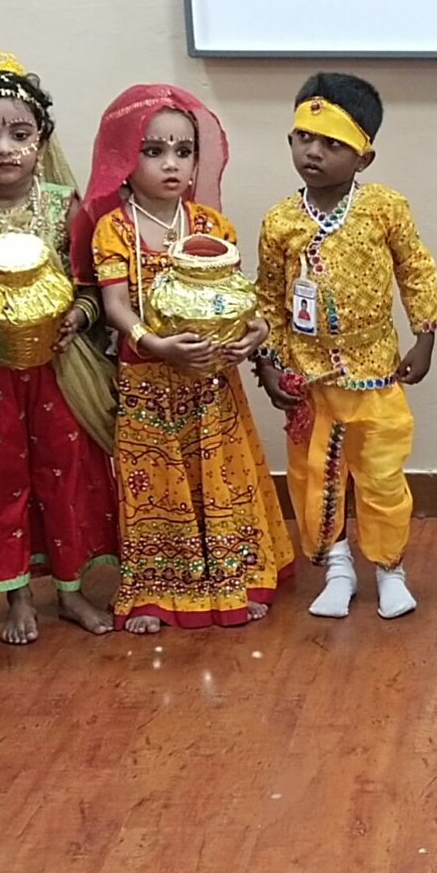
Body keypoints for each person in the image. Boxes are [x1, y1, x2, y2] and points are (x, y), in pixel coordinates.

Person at [0, 41, 119, 645]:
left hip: (61, 368)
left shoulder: (64, 207)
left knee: (67, 473)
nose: (4, 147)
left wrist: (78, 318)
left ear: (42, 138)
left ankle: (71, 591)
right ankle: (18, 598)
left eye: (19, 133)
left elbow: (90, 285)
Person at [82, 84, 295, 633]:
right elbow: (115, 306)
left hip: (211, 380)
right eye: (153, 151)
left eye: (183, 151)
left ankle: (233, 579)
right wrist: (154, 344)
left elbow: (238, 298)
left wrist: (254, 332)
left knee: (220, 476)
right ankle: (158, 593)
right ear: (123, 160)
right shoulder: (115, 228)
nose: (171, 164)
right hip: (148, 381)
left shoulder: (211, 226)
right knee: (157, 485)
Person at [252, 72, 437, 619]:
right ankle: (336, 567)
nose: (314, 152)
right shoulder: (279, 221)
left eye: (332, 143)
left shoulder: (384, 208)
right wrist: (268, 364)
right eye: (304, 137)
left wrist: (424, 336)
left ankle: (389, 568)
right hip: (308, 380)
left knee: (382, 476)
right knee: (316, 477)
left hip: (375, 372)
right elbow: (268, 298)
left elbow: (416, 270)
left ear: (364, 157)